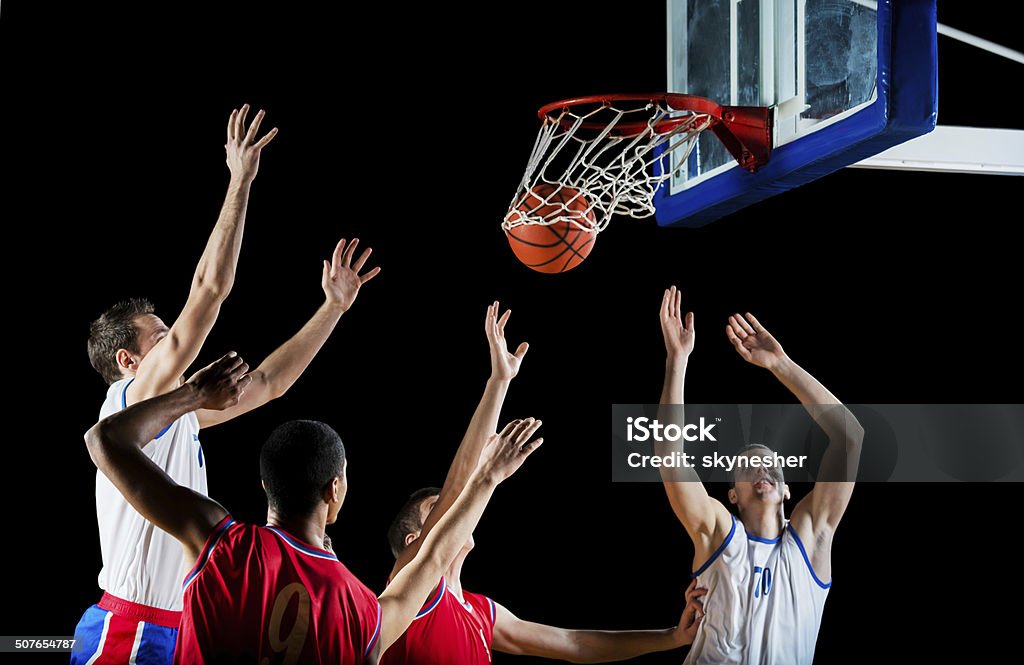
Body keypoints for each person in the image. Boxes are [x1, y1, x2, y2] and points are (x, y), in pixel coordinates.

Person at [76, 104, 380, 664]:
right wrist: (240, 180)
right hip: (132, 628)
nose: (177, 343)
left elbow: (268, 382)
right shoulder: (129, 399)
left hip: (179, 626)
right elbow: (209, 291)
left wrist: (333, 308)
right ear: (127, 361)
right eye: (162, 338)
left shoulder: (175, 416)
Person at [79, 352, 545, 664]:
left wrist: (194, 396)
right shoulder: (361, 610)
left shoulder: (217, 541)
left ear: (265, 485)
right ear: (335, 491)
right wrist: (487, 478)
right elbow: (436, 553)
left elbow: (104, 440)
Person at [383, 303, 706, 664]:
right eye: (436, 509)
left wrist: (672, 637)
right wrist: (498, 384)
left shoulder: (480, 612)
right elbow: (460, 488)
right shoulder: (411, 590)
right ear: (414, 540)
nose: (456, 508)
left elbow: (574, 643)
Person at [656, 286, 864, 665]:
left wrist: (780, 364)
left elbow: (850, 438)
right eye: (748, 464)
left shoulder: (810, 541)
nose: (762, 468)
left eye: (771, 465)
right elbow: (670, 456)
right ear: (731, 494)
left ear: (786, 491)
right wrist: (677, 361)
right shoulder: (719, 531)